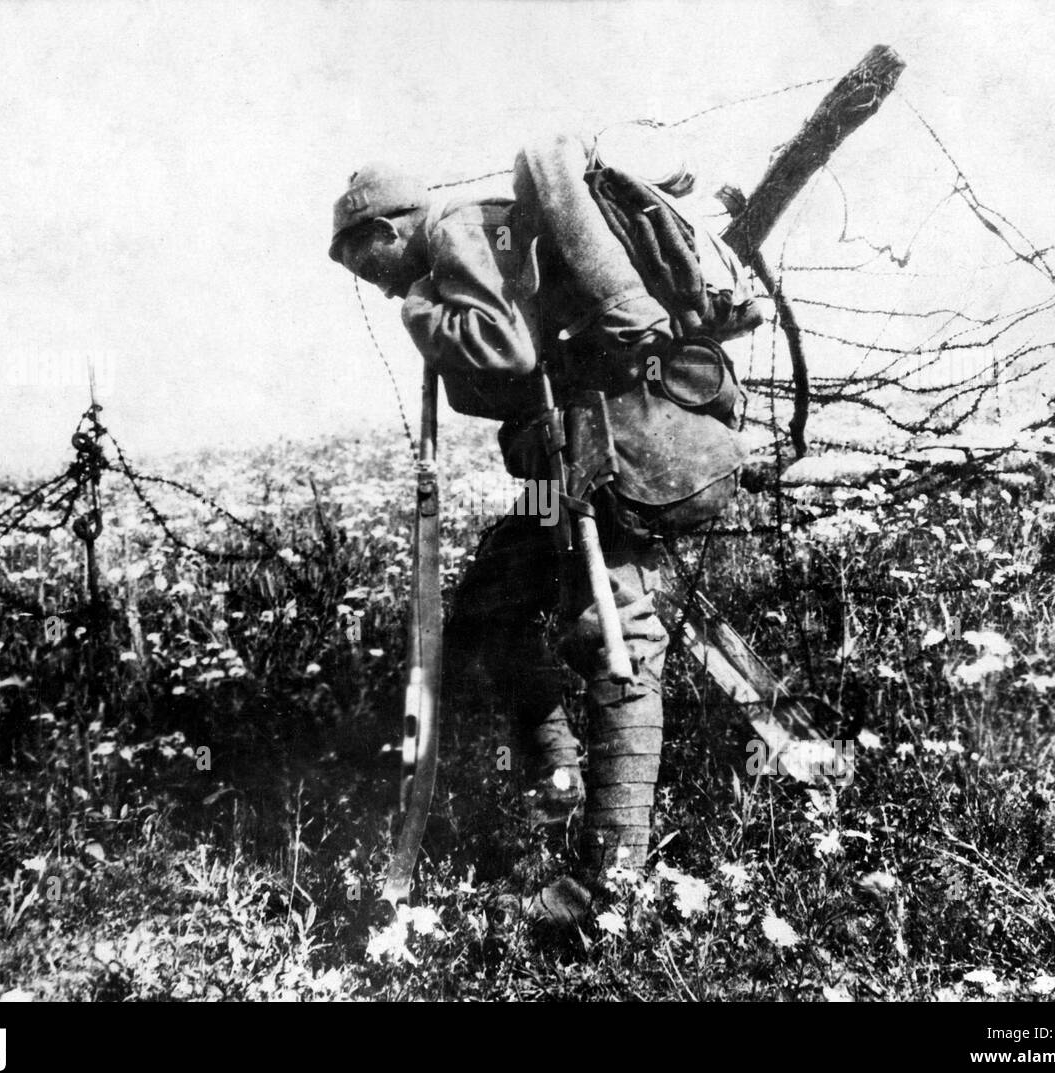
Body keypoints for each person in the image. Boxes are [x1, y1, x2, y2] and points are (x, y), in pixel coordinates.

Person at [328, 146, 771, 921]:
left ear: (390, 230)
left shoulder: (457, 232)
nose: (373, 280)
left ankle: (609, 880)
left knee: (616, 633)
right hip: (565, 462)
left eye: (368, 262)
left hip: (615, 447)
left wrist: (420, 314)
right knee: (496, 599)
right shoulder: (475, 237)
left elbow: (506, 346)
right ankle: (555, 779)